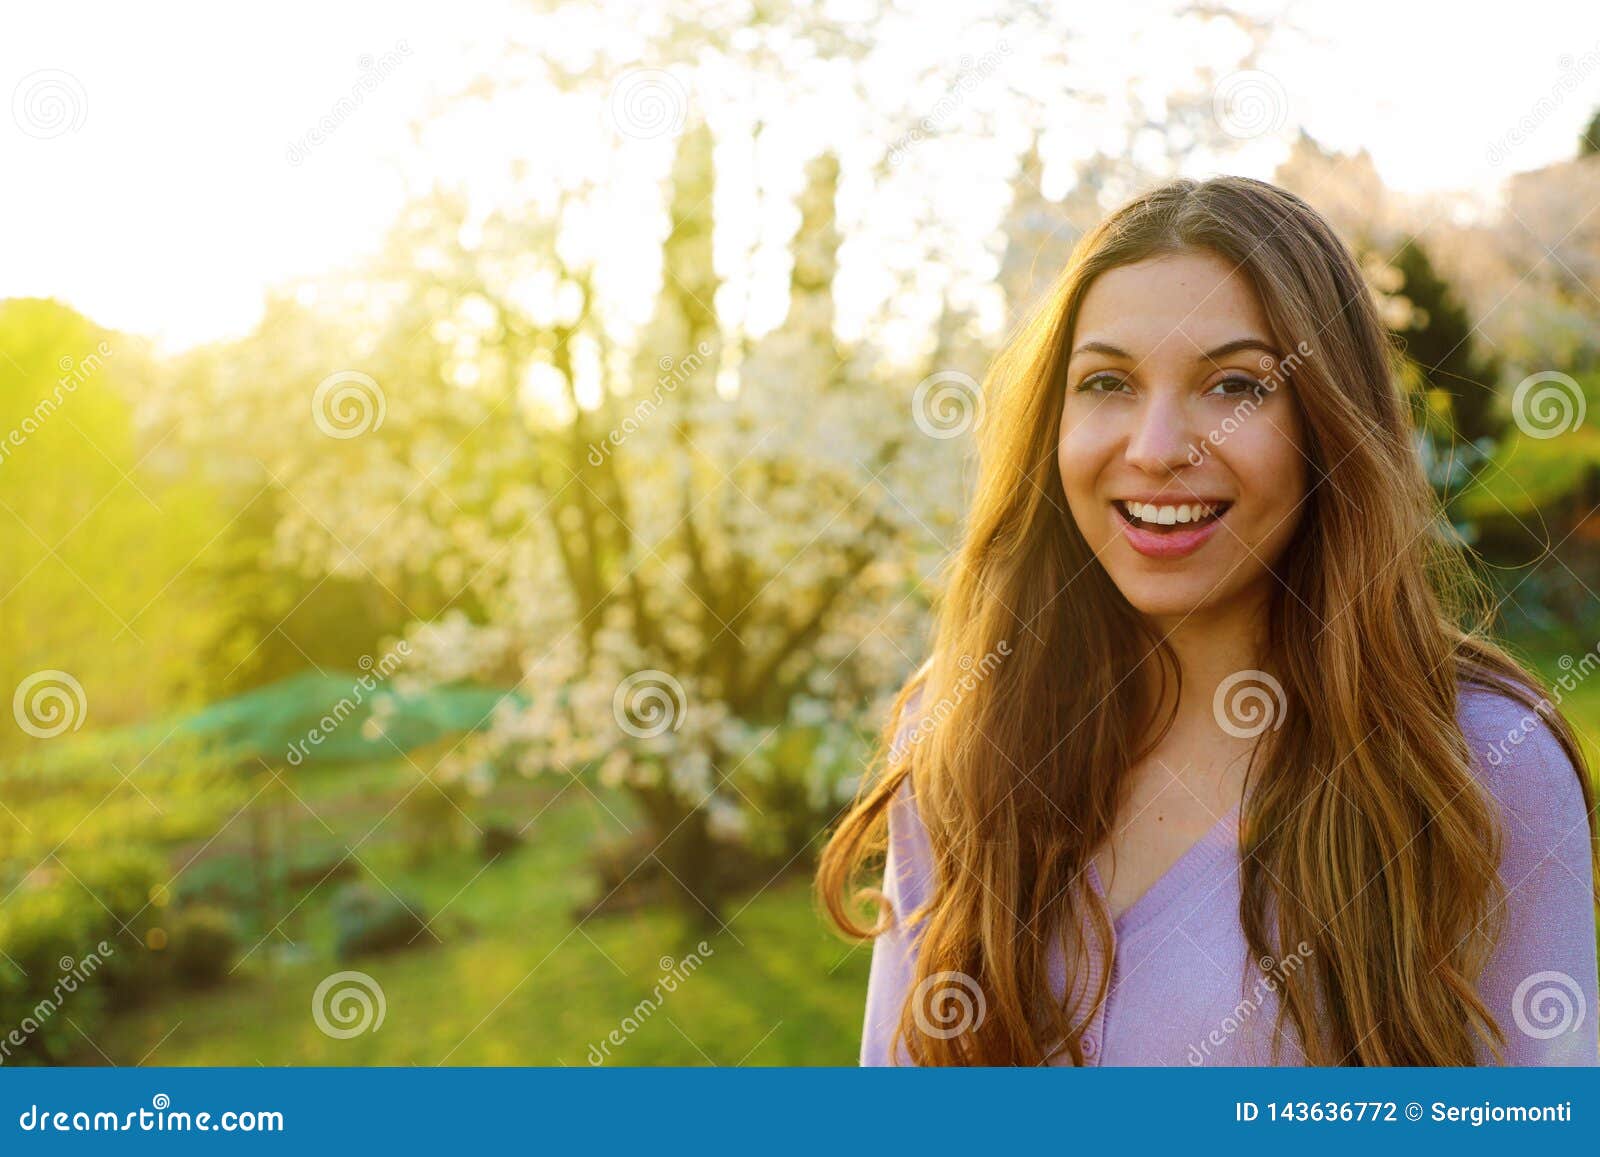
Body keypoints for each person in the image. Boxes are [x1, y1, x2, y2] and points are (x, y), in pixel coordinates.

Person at [815, 175, 1600, 1066]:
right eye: (1107, 380)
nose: (1154, 449)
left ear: (1329, 426)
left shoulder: (1480, 768)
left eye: (1233, 385)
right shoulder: (961, 731)